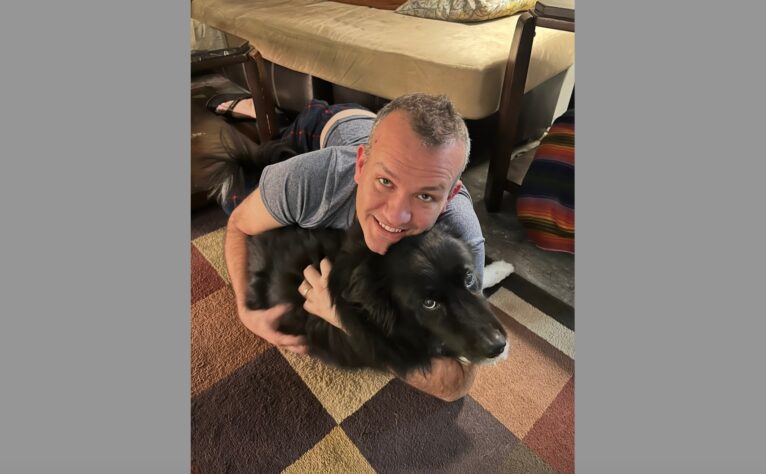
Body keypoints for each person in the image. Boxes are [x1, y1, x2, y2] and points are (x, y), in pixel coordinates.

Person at [223, 93, 486, 401]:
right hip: (322, 127)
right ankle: (257, 108)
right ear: (361, 166)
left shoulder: (461, 239)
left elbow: (456, 383)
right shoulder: (312, 179)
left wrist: (346, 319)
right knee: (237, 190)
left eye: (425, 196)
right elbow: (238, 225)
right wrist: (245, 311)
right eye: (385, 182)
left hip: (371, 135)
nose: (395, 215)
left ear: (450, 196)